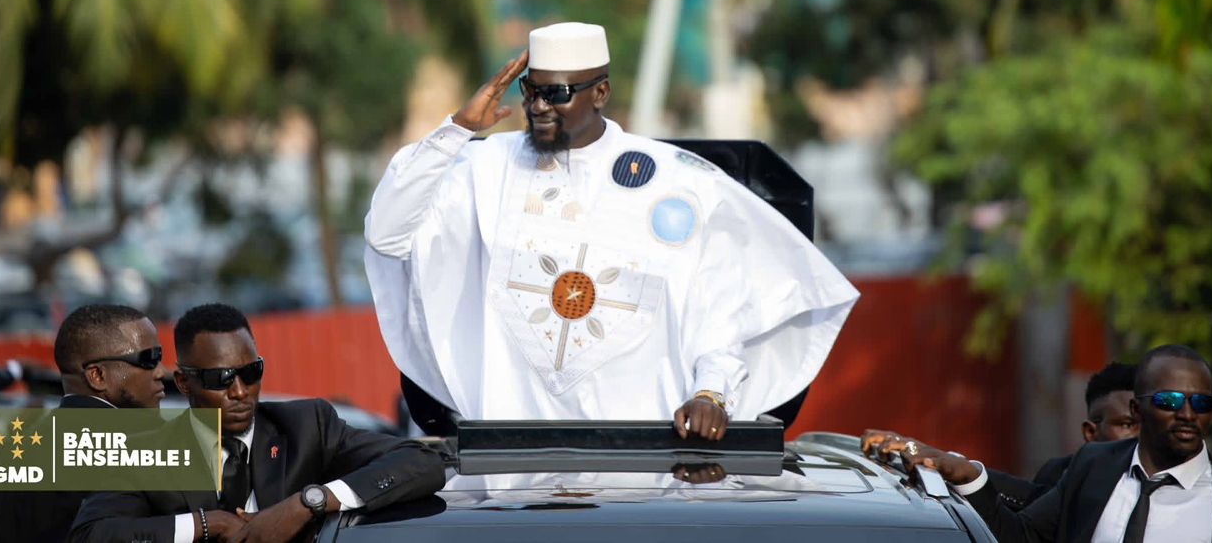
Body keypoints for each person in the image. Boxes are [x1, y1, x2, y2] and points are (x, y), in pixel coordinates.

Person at [363, 22, 860, 440]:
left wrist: (712, 393)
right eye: (531, 91)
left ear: (601, 92)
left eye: (557, 93)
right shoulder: (481, 170)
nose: (538, 106)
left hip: (640, 477)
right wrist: (456, 128)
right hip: (509, 476)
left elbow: (722, 312)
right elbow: (386, 234)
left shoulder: (678, 183)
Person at [69, 303, 445, 543]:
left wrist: (306, 503)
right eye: (221, 378)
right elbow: (91, 534)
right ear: (184, 383)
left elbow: (420, 462)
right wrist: (206, 523)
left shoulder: (306, 426)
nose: (240, 391)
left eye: (251, 372)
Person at [877, 344, 1212, 542]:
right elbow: (1021, 534)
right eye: (1171, 402)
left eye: (1202, 403)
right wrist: (968, 475)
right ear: (1137, 407)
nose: (1188, 414)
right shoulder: (1094, 467)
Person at [0, 304, 168, 543]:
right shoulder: (146, 453)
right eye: (149, 359)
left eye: (160, 357)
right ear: (97, 376)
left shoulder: (4, 458)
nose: (161, 372)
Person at [862, 361, 1138, 510]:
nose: (1138, 435)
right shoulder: (1065, 477)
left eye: (1146, 423)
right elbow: (1024, 520)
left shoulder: (1178, 485)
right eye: (1127, 424)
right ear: (1091, 432)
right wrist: (940, 460)